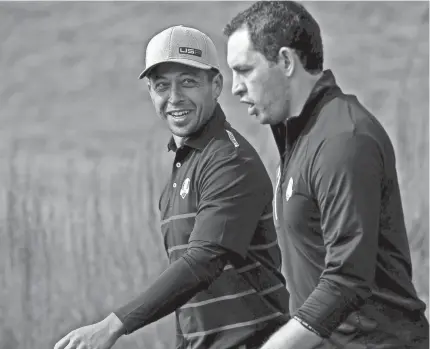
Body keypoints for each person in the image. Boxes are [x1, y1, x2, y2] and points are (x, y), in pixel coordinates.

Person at [53, 25, 291, 349]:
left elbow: (202, 263)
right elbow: (189, 301)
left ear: (216, 84)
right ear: (151, 92)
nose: (174, 97)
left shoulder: (229, 160)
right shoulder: (182, 171)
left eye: (188, 82)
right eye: (161, 85)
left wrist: (113, 325)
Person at [224, 1, 429, 348]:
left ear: (286, 62)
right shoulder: (299, 137)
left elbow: (346, 280)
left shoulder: (343, 141)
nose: (235, 88)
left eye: (244, 70)